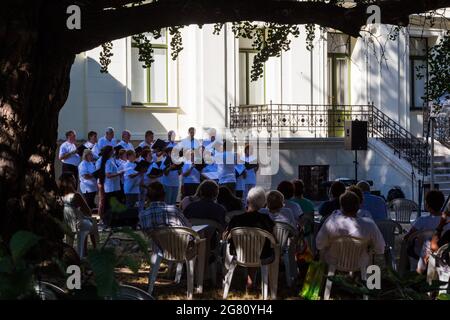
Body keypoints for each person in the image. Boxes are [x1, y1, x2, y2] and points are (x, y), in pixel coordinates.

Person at [316, 191, 385, 267]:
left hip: (334, 269)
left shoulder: (331, 222)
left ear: (341, 207)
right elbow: (380, 248)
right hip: (361, 269)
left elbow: (319, 244)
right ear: (359, 207)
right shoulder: (369, 224)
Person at [225, 187, 275, 291]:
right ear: (263, 203)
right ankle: (251, 281)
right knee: (260, 250)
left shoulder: (236, 219)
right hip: (262, 255)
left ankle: (248, 281)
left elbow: (226, 237)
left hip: (238, 254)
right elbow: (273, 238)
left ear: (248, 201)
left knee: (250, 250)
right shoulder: (266, 220)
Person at [59, 173, 99, 250]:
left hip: (65, 224)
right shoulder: (76, 195)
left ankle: (82, 250)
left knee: (85, 221)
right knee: (91, 221)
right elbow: (88, 211)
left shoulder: (59, 196)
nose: (75, 180)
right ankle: (94, 248)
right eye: (74, 179)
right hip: (77, 224)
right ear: (71, 181)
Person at [98, 146, 123, 215]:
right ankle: (106, 220)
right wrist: (119, 173)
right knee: (109, 206)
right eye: (113, 151)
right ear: (110, 152)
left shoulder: (110, 160)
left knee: (111, 205)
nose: (114, 152)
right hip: (111, 187)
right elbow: (108, 175)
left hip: (113, 186)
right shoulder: (108, 162)